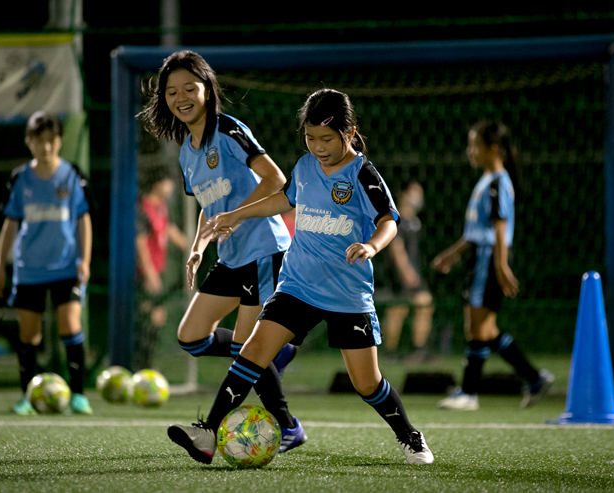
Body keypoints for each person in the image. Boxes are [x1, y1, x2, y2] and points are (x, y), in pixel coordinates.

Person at [168, 88, 434, 466]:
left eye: (327, 139)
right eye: (310, 138)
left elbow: (389, 221)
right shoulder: (305, 167)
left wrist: (372, 246)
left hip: (346, 292)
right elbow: (286, 199)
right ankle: (207, 431)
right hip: (297, 283)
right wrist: (238, 214)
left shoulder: (363, 174)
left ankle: (409, 435)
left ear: (351, 132)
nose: (318, 147)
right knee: (253, 352)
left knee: (366, 382)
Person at [138, 50, 303, 451]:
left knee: (247, 354)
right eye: (172, 91)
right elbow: (207, 207)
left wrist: (237, 216)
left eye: (189, 88)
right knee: (191, 336)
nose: (181, 97)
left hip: (264, 249)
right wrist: (198, 246)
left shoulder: (228, 130)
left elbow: (277, 180)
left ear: (207, 90)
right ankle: (270, 353)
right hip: (230, 257)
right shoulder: (185, 152)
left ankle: (277, 427)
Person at [431, 120, 553, 411]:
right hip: (482, 255)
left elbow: (499, 227)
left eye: (475, 145)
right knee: (484, 329)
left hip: (488, 258)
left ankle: (470, 393)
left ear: (493, 149)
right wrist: (454, 252)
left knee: (476, 327)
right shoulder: (489, 179)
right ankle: (534, 378)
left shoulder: (498, 181)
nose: (469, 151)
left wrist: (500, 266)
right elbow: (479, 227)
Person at [0, 111, 93, 415]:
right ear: (29, 142)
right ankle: (26, 396)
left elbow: (83, 219)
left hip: (66, 266)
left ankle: (78, 394)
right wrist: (0, 267)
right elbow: (10, 224)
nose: (46, 147)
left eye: (52, 140)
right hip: (29, 268)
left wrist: (84, 261)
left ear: (60, 141)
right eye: (40, 140)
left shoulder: (72, 175)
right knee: (29, 335)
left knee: (70, 325)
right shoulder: (20, 178)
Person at [135, 165, 188, 370]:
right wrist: (149, 274)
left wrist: (192, 246)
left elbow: (168, 228)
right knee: (151, 315)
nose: (171, 187)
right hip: (146, 272)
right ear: (158, 184)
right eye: (168, 182)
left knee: (156, 316)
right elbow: (140, 241)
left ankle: (144, 363)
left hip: (158, 269)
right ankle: (141, 363)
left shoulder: (161, 206)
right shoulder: (144, 207)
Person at [381, 180, 435, 362]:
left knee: (423, 305)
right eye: (414, 192)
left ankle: (418, 350)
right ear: (403, 194)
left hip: (413, 271)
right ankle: (391, 352)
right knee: (398, 309)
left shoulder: (414, 221)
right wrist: (405, 271)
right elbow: (396, 246)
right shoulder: (397, 217)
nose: (418, 197)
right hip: (402, 272)